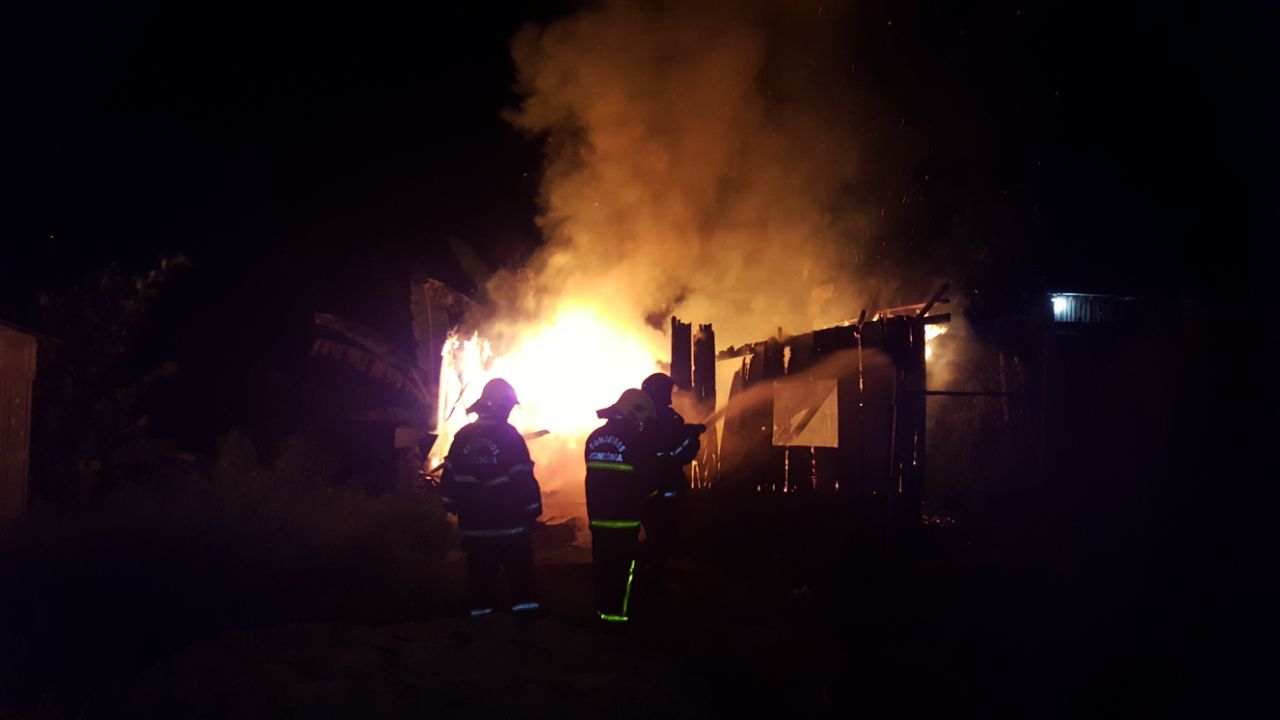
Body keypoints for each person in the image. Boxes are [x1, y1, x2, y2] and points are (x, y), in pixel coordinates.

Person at [439, 378, 542, 617]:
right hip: (510, 528)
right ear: (500, 406)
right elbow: (522, 477)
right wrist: (533, 510)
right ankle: (527, 631)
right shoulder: (509, 436)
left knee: (480, 582)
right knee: (521, 582)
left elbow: (450, 477)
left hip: (474, 529)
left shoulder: (463, 436)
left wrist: (451, 506)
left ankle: (481, 635)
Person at [584, 388, 657, 624]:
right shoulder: (637, 440)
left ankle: (602, 613)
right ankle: (619, 619)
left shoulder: (594, 438)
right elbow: (649, 484)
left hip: (598, 519)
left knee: (602, 568)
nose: (643, 424)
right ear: (634, 412)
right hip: (625, 520)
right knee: (624, 571)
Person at [639, 372, 704, 596]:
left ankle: (645, 576)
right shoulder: (667, 419)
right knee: (662, 537)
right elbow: (677, 454)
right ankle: (651, 583)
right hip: (665, 490)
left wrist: (687, 433)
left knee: (657, 536)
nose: (670, 395)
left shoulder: (641, 418)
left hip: (647, 491)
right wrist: (691, 438)